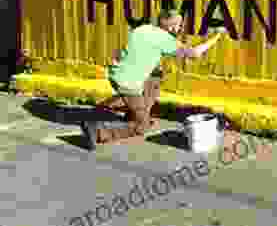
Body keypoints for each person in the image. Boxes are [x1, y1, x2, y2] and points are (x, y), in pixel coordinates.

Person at [80, 9, 223, 150]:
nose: (179, 28)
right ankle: (97, 131)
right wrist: (216, 37)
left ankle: (134, 114)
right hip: (127, 83)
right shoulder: (164, 39)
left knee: (155, 76)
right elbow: (194, 53)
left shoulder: (144, 28)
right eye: (178, 25)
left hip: (116, 73)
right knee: (141, 127)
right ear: (170, 25)